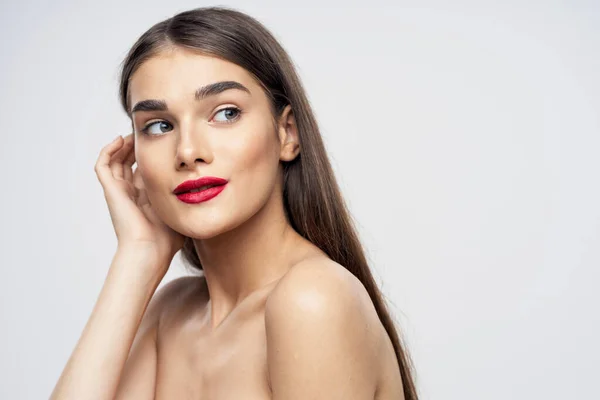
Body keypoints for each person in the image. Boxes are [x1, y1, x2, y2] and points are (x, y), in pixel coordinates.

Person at [50, 6, 418, 400]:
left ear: (287, 133)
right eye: (159, 125)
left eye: (226, 113)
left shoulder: (312, 299)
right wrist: (138, 257)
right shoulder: (171, 311)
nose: (188, 151)